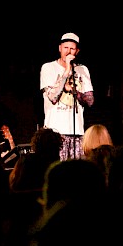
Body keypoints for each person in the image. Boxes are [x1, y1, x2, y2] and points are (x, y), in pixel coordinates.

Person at [40, 32, 94, 160]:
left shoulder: (83, 70)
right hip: (55, 133)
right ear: (60, 48)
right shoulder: (48, 68)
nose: (68, 52)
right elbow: (52, 97)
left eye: (72, 49)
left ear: (77, 51)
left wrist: (73, 91)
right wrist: (66, 73)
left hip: (77, 133)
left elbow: (90, 101)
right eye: (65, 48)